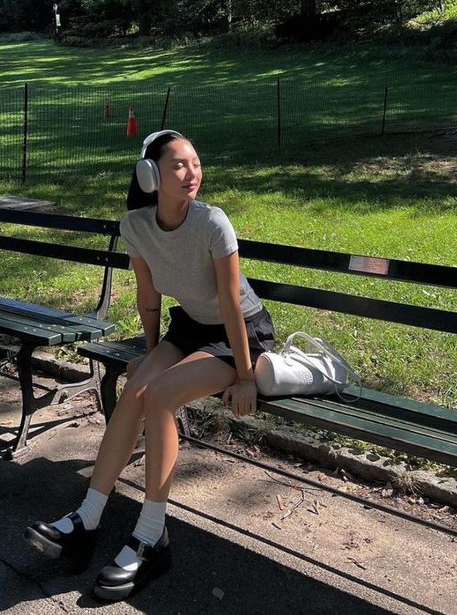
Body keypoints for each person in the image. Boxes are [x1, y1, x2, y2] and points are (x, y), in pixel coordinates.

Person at [25, 130, 275, 601]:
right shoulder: (135, 226)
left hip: (238, 332)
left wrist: (245, 375)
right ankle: (89, 516)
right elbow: (148, 296)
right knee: (136, 387)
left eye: (195, 163)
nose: (192, 173)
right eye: (179, 165)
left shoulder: (212, 222)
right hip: (190, 327)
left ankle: (150, 535)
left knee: (159, 397)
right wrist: (151, 349)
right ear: (150, 175)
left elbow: (229, 300)